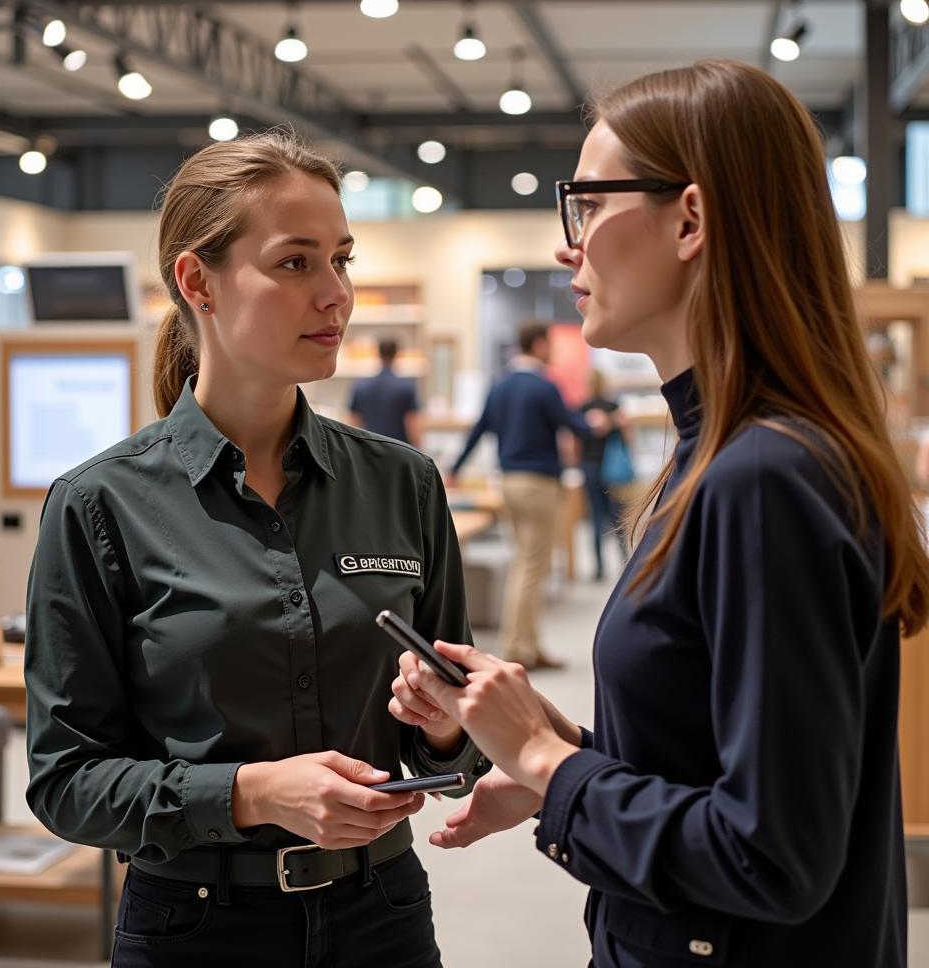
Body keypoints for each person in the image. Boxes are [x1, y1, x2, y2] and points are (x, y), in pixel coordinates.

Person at [391, 59, 928, 967]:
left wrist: (547, 765)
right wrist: (558, 758)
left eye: (589, 205)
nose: (571, 245)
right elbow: (715, 761)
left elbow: (771, 858)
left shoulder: (762, 476)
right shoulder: (722, 456)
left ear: (689, 219)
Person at [24, 130, 486, 968]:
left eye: (342, 260)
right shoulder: (100, 506)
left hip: (381, 913)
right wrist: (247, 794)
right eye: (296, 263)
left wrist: (448, 734)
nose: (336, 295)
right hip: (194, 929)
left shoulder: (403, 484)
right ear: (197, 281)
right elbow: (66, 781)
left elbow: (452, 738)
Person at [449, 321, 589, 670]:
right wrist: (598, 422)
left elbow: (479, 429)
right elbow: (576, 426)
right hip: (538, 483)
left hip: (507, 482)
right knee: (532, 565)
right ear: (539, 344)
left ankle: (528, 644)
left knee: (524, 563)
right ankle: (516, 647)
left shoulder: (500, 386)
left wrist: (455, 467)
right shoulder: (544, 386)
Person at [579, 369, 630, 581]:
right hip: (613, 469)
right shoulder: (614, 408)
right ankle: (625, 561)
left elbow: (573, 442)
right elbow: (628, 436)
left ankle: (598, 567)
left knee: (596, 516)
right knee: (617, 514)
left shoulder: (582, 408)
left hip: (589, 465)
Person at [348, 338, 421, 445]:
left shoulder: (361, 387)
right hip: (399, 449)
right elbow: (412, 425)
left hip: (370, 448)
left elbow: (353, 423)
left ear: (378, 353)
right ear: (396, 354)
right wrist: (419, 452)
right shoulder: (406, 387)